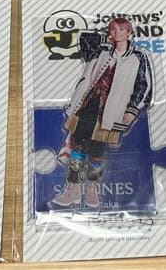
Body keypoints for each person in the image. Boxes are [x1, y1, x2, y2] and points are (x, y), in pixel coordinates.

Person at [51, 18, 153, 208]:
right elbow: (85, 40)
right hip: (87, 107)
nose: (117, 32)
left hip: (111, 113)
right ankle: (73, 190)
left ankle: (92, 189)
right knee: (78, 149)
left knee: (97, 153)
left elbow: (144, 87)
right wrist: (104, 39)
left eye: (122, 29)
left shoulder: (138, 57)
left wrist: (133, 110)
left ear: (129, 32)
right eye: (113, 29)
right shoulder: (101, 51)